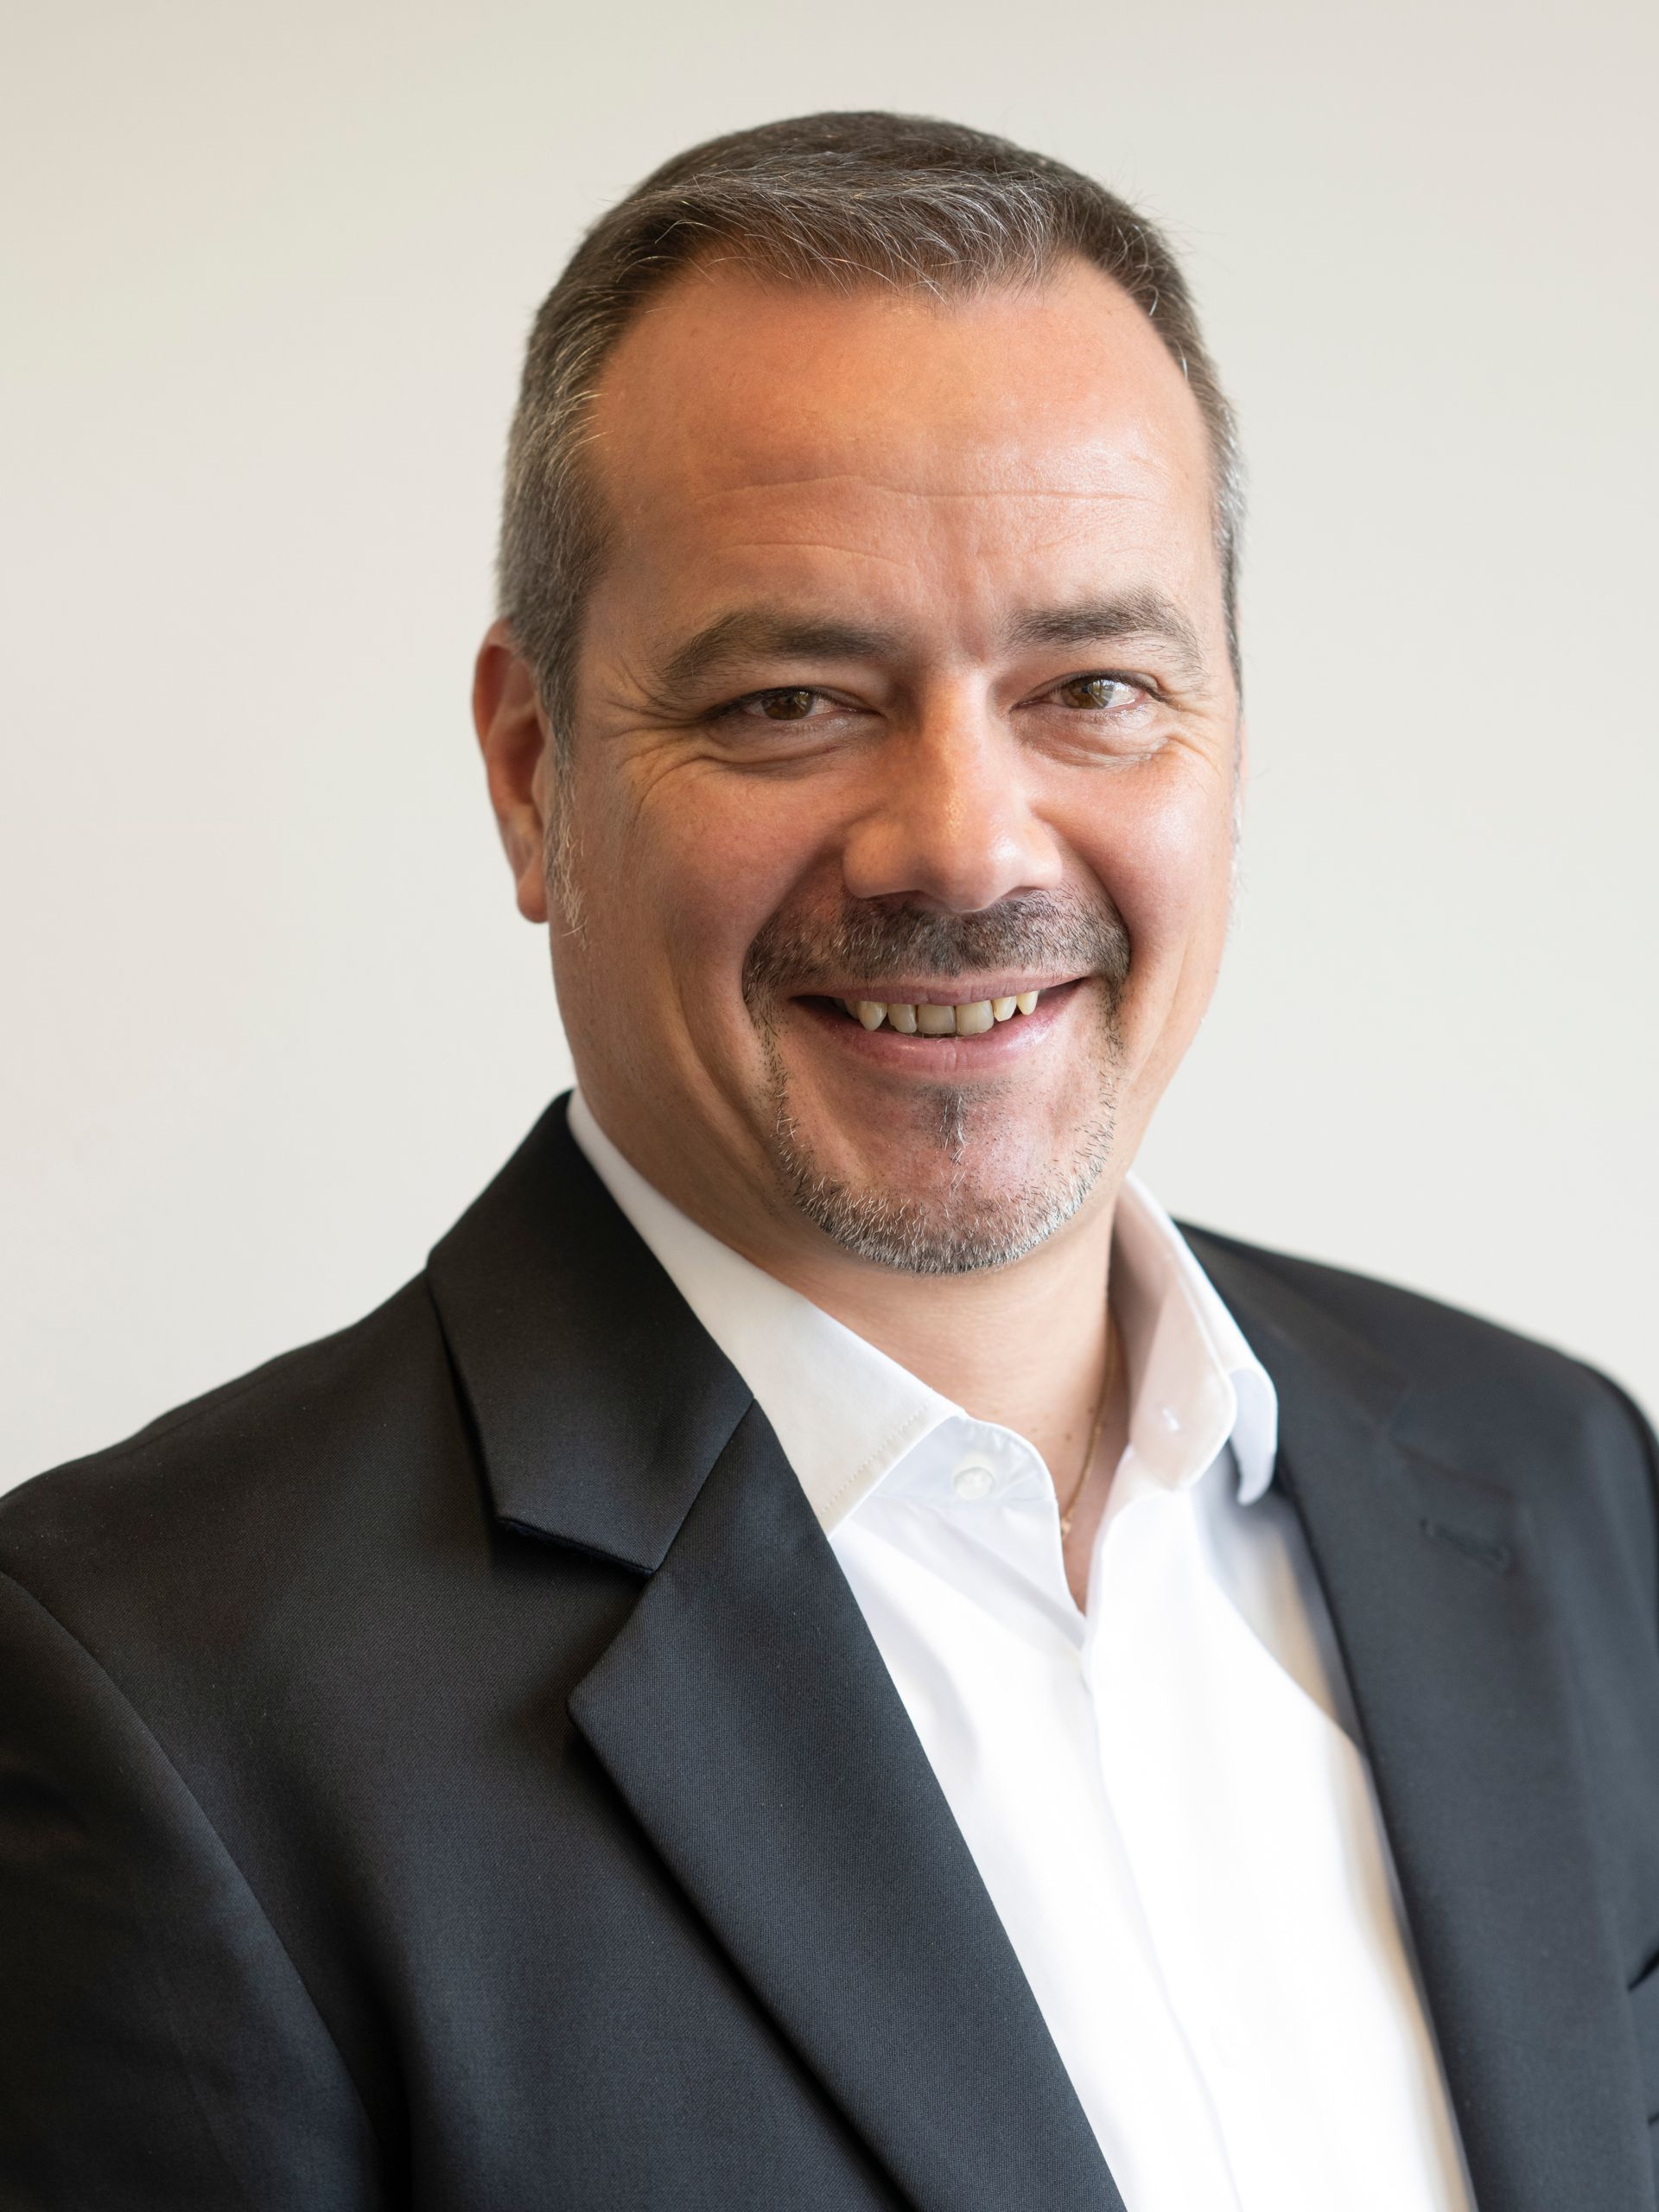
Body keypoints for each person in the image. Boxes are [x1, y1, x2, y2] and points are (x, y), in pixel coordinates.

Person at [2, 110, 1656, 2212]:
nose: (964, 844)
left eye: (1095, 686)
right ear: (530, 773)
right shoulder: (155, 1701)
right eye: (792, 700)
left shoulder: (1558, 1483)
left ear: (1230, 730)